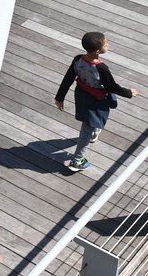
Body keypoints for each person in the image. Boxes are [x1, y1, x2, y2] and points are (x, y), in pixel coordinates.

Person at [54, 31, 139, 172]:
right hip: (96, 100)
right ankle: (77, 161)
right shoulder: (102, 68)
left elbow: (68, 78)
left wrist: (60, 97)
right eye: (106, 43)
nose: (108, 44)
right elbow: (112, 87)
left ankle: (94, 130)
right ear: (98, 50)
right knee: (88, 127)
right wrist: (130, 92)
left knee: (97, 118)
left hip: (82, 94)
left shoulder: (78, 59)